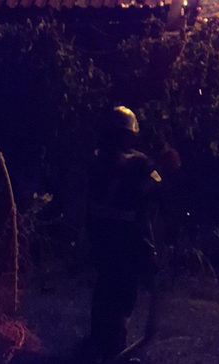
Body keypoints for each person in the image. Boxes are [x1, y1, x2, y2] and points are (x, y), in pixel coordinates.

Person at [84, 106, 160, 362]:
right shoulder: (135, 164)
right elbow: (156, 183)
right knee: (122, 295)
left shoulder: (96, 160)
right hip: (125, 241)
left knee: (105, 289)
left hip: (101, 240)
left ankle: (100, 344)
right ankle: (114, 350)